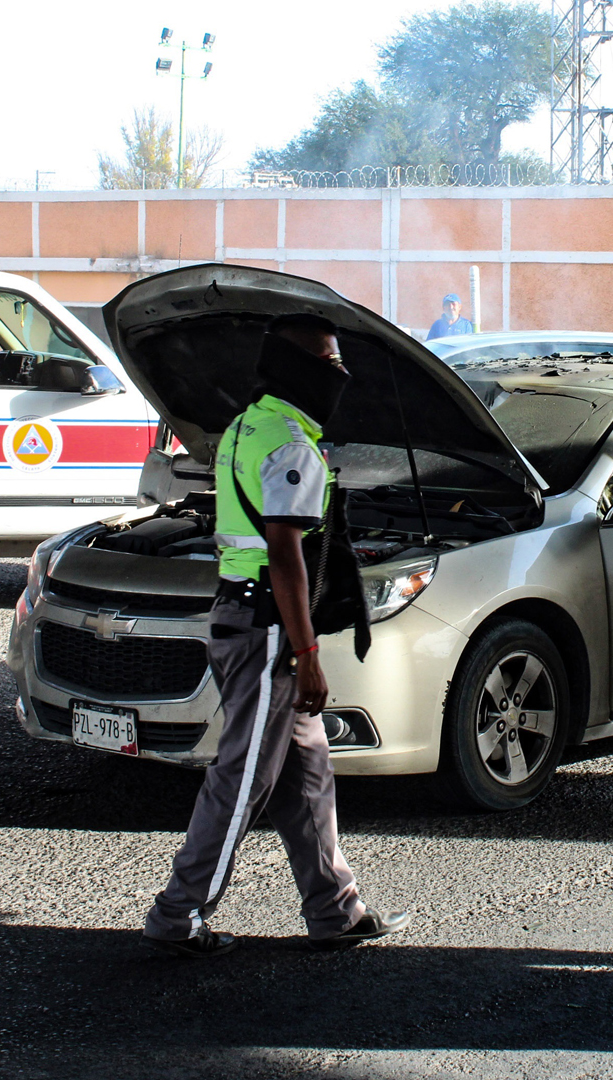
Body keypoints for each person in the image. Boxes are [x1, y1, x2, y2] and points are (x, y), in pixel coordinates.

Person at [143, 313, 408, 957]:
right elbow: (285, 553)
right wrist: (309, 652)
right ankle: (180, 915)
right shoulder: (291, 443)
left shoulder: (245, 426)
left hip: (246, 615)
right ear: (301, 368)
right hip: (268, 630)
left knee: (309, 771)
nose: (341, 374)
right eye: (331, 361)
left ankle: (336, 911)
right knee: (243, 779)